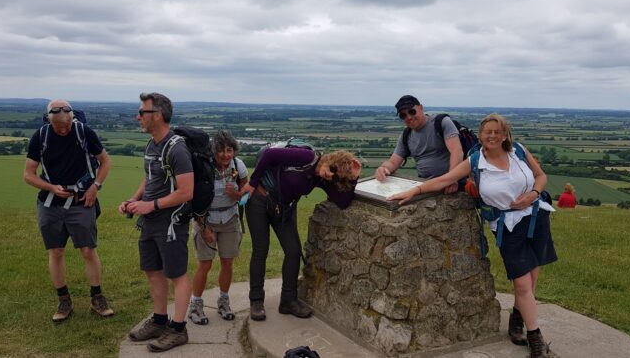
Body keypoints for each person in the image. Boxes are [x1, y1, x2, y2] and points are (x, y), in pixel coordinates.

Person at [388, 113, 560, 358]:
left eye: (497, 132)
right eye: (487, 132)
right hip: (507, 226)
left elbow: (541, 176)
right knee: (522, 284)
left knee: (531, 281)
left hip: (536, 217)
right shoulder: (476, 161)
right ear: (481, 135)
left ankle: (517, 320)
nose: (492, 136)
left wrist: (533, 194)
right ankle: (537, 342)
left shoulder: (519, 151)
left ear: (505, 135)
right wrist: (415, 191)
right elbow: (446, 179)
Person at [240, 148, 362, 321]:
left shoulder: (322, 178)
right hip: (259, 200)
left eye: (335, 177)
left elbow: (342, 202)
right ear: (330, 160)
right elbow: (269, 155)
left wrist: (354, 177)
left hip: (283, 209)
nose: (330, 176)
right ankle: (256, 301)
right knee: (261, 249)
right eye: (332, 170)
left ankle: (288, 301)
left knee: (293, 251)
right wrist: (252, 183)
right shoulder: (306, 157)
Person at [23, 99, 114, 322]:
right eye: (58, 127)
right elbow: (28, 174)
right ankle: (64, 300)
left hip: (81, 200)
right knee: (56, 251)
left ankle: (97, 298)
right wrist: (51, 188)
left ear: (72, 119)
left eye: (67, 125)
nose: (63, 130)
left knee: (88, 250)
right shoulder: (40, 136)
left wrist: (95, 187)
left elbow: (105, 161)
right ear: (49, 121)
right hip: (50, 203)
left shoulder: (83, 132)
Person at [119, 92, 193, 353]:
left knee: (177, 274)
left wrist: (151, 205)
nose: (137, 116)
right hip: (150, 220)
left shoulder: (177, 149)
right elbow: (149, 178)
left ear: (158, 115)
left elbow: (186, 192)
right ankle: (160, 321)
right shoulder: (152, 144)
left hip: (171, 222)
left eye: (142, 112)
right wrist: (134, 200)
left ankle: (178, 329)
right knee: (153, 271)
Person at [187, 130, 248, 325]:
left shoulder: (238, 165)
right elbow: (194, 199)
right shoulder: (204, 167)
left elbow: (246, 192)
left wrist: (237, 195)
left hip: (230, 218)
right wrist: (203, 227)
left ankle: (223, 302)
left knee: (227, 262)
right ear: (213, 151)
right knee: (205, 264)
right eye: (221, 150)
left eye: (229, 150)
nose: (225, 154)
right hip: (206, 219)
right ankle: (195, 306)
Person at [374, 95, 464, 193]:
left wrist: (451, 179)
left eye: (412, 111)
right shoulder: (406, 135)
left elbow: (457, 151)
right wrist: (383, 168)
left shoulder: (441, 122)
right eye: (403, 115)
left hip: (452, 186)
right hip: (426, 186)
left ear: (421, 108)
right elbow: (393, 162)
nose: (409, 117)